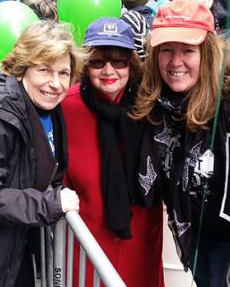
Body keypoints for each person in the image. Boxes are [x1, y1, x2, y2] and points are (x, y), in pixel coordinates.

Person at [130, 0, 230, 287]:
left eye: (187, 50)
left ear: (207, 52)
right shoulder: (152, 102)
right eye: (167, 50)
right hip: (191, 235)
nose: (176, 62)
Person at [0, 20, 84, 287]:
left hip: (16, 249)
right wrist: (49, 205)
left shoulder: (48, 109)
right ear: (22, 69)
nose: (55, 83)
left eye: (63, 73)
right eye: (44, 70)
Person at [62, 17, 164, 287]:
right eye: (98, 62)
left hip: (140, 233)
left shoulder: (151, 104)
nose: (109, 70)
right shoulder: (66, 107)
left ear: (131, 64)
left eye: (119, 61)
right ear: (86, 66)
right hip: (89, 236)